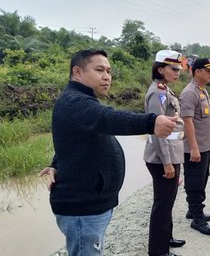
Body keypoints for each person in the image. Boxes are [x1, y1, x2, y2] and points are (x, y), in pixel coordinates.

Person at [38, 49, 177, 256]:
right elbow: (108, 118)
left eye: (109, 71)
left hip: (91, 205)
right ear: (77, 72)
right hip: (82, 208)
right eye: (99, 70)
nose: (107, 77)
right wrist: (151, 121)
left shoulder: (80, 100)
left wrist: (57, 164)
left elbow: (72, 140)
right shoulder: (75, 102)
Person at [143, 50, 186, 256]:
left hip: (170, 155)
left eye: (178, 69)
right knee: (162, 204)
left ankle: (166, 238)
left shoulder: (165, 90)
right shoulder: (157, 94)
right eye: (173, 69)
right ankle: (158, 251)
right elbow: (157, 131)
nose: (177, 72)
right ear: (160, 69)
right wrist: (168, 163)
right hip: (161, 159)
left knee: (168, 201)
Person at [180, 58, 210, 235]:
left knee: (202, 178)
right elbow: (187, 121)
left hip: (205, 146)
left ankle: (193, 210)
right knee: (195, 181)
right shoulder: (190, 93)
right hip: (196, 148)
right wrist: (194, 147)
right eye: (208, 70)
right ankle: (197, 219)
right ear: (197, 72)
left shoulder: (201, 90)